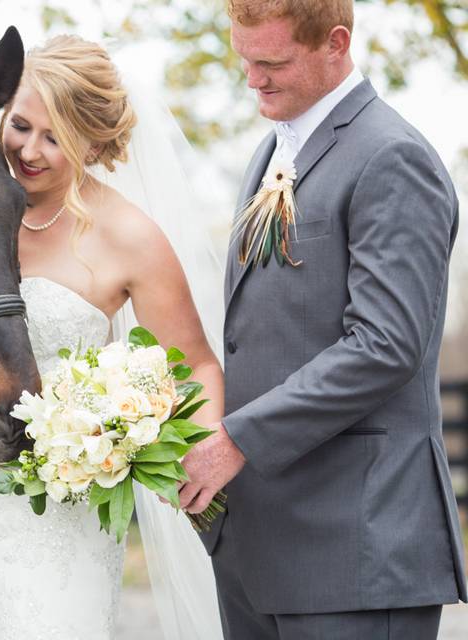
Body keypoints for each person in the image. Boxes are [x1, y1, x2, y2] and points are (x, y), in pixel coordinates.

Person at [0, 36, 225, 639]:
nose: (29, 150)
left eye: (55, 137)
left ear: (94, 143)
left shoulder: (130, 238)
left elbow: (196, 365)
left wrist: (197, 447)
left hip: (67, 513)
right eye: (21, 125)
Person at [178, 1, 468, 638]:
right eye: (244, 59)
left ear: (335, 43)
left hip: (356, 549)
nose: (252, 79)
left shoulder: (392, 157)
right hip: (263, 545)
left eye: (272, 62)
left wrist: (236, 441)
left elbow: (384, 345)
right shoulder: (269, 151)